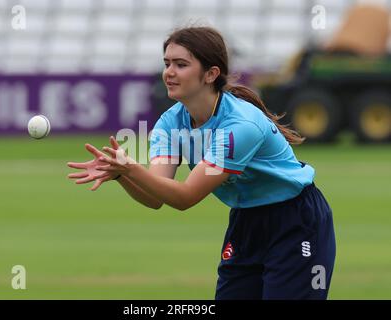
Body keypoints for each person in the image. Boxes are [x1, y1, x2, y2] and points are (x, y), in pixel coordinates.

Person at [67, 27, 336, 300]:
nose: (169, 72)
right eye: (167, 63)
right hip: (246, 221)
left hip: (295, 221)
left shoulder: (240, 126)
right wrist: (121, 175)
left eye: (181, 64)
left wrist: (132, 169)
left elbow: (186, 197)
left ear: (211, 74)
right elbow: (155, 196)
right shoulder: (170, 123)